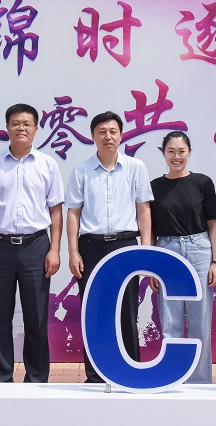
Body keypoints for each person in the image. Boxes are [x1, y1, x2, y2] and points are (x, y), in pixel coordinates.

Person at [0, 103, 64, 383]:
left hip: (36, 246)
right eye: (15, 123)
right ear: (7, 128)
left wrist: (54, 249)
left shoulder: (47, 164)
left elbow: (56, 210)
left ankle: (36, 377)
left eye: (26, 124)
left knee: (36, 316)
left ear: (35, 129)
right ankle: (0, 377)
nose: (21, 128)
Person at [66, 111, 153, 383]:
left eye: (113, 131)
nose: (108, 136)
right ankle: (95, 375)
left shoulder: (135, 167)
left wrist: (146, 250)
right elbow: (73, 213)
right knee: (94, 312)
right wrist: (73, 252)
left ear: (121, 135)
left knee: (127, 311)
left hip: (126, 245)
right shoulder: (81, 170)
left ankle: (129, 372)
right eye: (102, 131)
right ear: (92, 136)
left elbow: (144, 210)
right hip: (90, 247)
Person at [148, 131, 216, 384]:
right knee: (170, 321)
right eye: (171, 151)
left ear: (189, 152)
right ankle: (172, 378)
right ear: (163, 153)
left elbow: (213, 224)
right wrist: (152, 264)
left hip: (199, 249)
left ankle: (200, 383)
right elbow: (151, 228)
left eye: (181, 151)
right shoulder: (154, 186)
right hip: (166, 250)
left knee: (200, 320)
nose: (176, 156)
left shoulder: (203, 182)